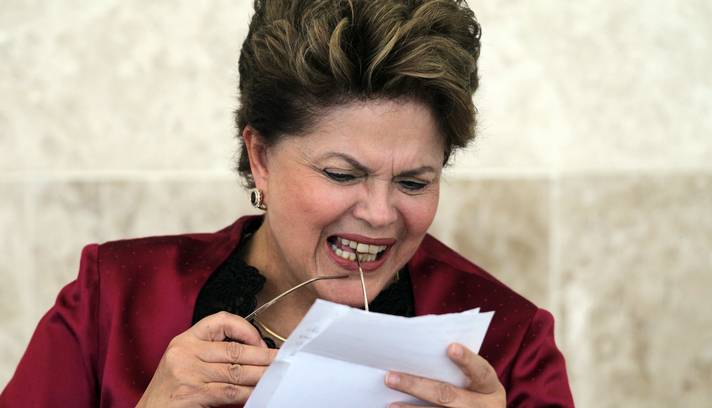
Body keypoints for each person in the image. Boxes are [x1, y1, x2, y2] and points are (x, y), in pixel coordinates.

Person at [1, 0, 574, 407]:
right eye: (342, 174)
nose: (380, 214)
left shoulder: (512, 346)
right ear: (261, 159)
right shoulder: (112, 299)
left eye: (414, 183)